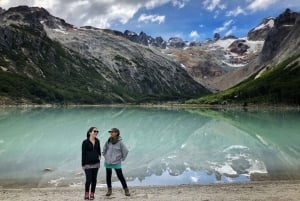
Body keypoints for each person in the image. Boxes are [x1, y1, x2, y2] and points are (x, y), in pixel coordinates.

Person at [103, 128, 130, 196]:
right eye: (110, 132)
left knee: (120, 176)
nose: (111, 133)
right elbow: (104, 148)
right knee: (108, 176)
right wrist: (105, 155)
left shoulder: (120, 142)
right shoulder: (108, 140)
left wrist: (122, 159)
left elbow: (125, 151)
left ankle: (126, 189)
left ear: (117, 133)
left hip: (116, 162)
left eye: (112, 132)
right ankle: (109, 190)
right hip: (108, 161)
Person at [82, 127, 101, 200]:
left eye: (97, 131)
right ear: (90, 132)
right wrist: (83, 164)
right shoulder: (85, 142)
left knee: (94, 179)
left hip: (96, 163)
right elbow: (83, 153)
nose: (96, 132)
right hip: (87, 164)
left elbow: (99, 150)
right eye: (94, 131)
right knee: (88, 179)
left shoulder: (97, 141)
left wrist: (99, 156)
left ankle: (92, 193)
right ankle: (86, 193)